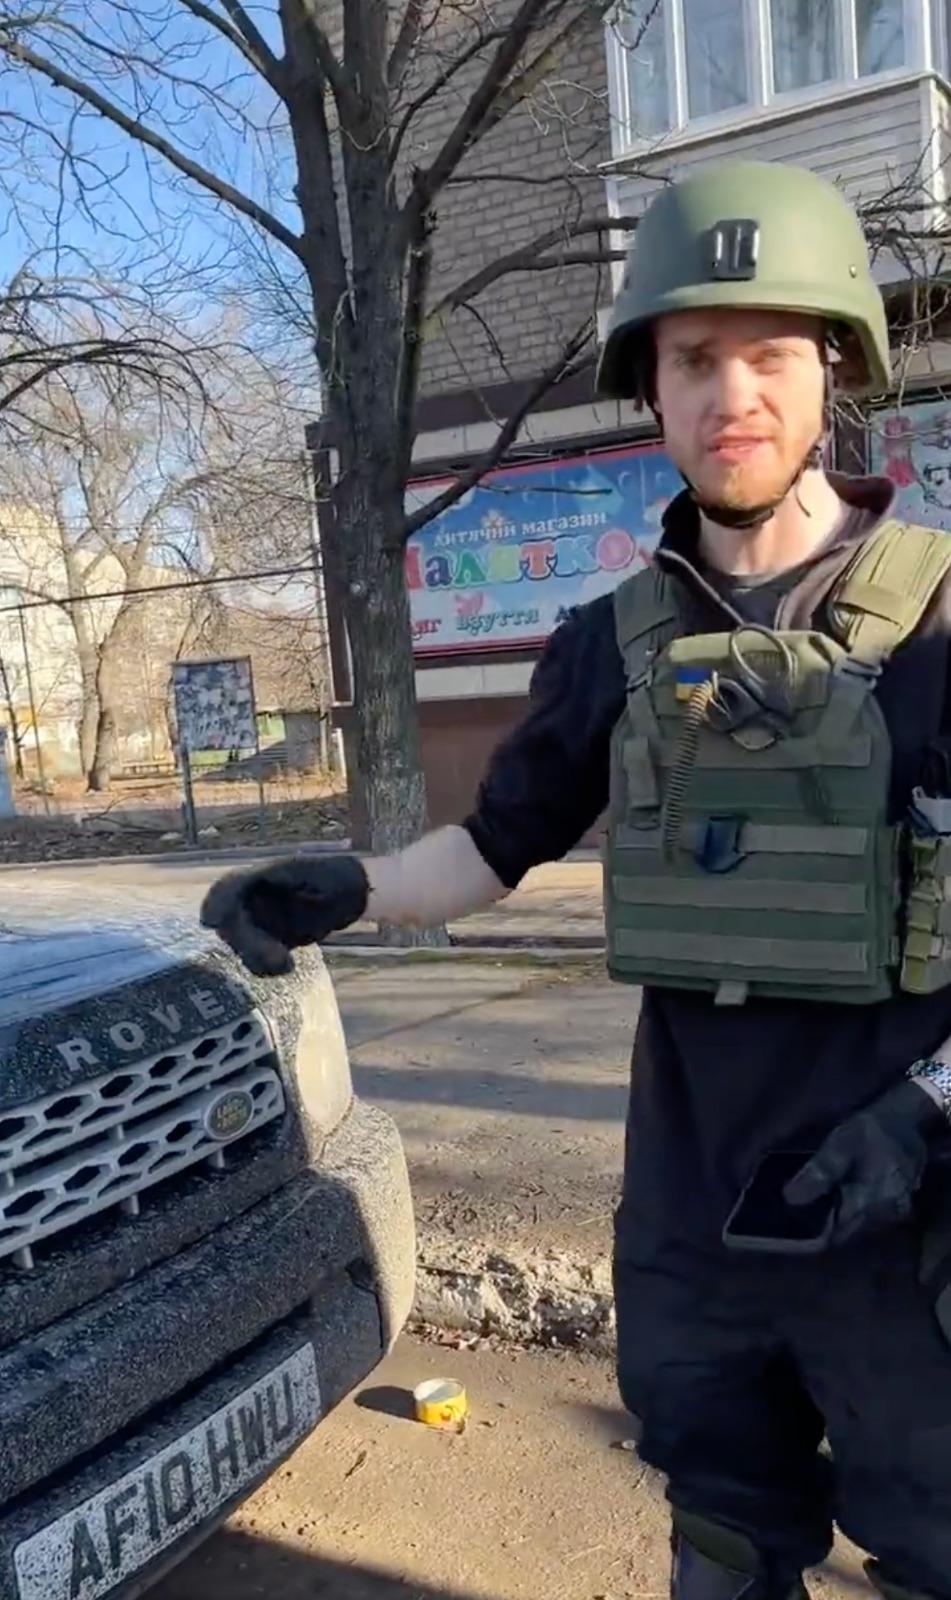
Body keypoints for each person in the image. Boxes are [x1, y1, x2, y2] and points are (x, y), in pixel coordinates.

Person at [200, 160, 951, 1600]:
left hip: (904, 1219)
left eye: (770, 352)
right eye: (693, 359)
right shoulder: (613, 643)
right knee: (724, 1541)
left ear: (835, 370)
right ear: (652, 395)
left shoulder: (940, 619)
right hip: (698, 1221)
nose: (733, 389)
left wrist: (922, 1123)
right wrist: (346, 892)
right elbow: (492, 851)